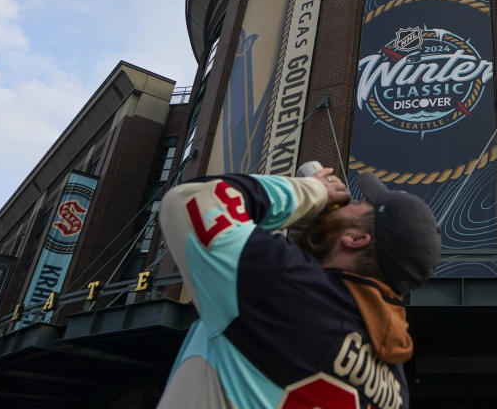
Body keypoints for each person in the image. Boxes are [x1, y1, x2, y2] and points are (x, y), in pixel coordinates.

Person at [156, 167, 442, 409]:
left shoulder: (283, 285)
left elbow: (191, 200)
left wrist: (312, 191)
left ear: (356, 238)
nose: (348, 201)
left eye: (359, 204)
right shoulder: (396, 387)